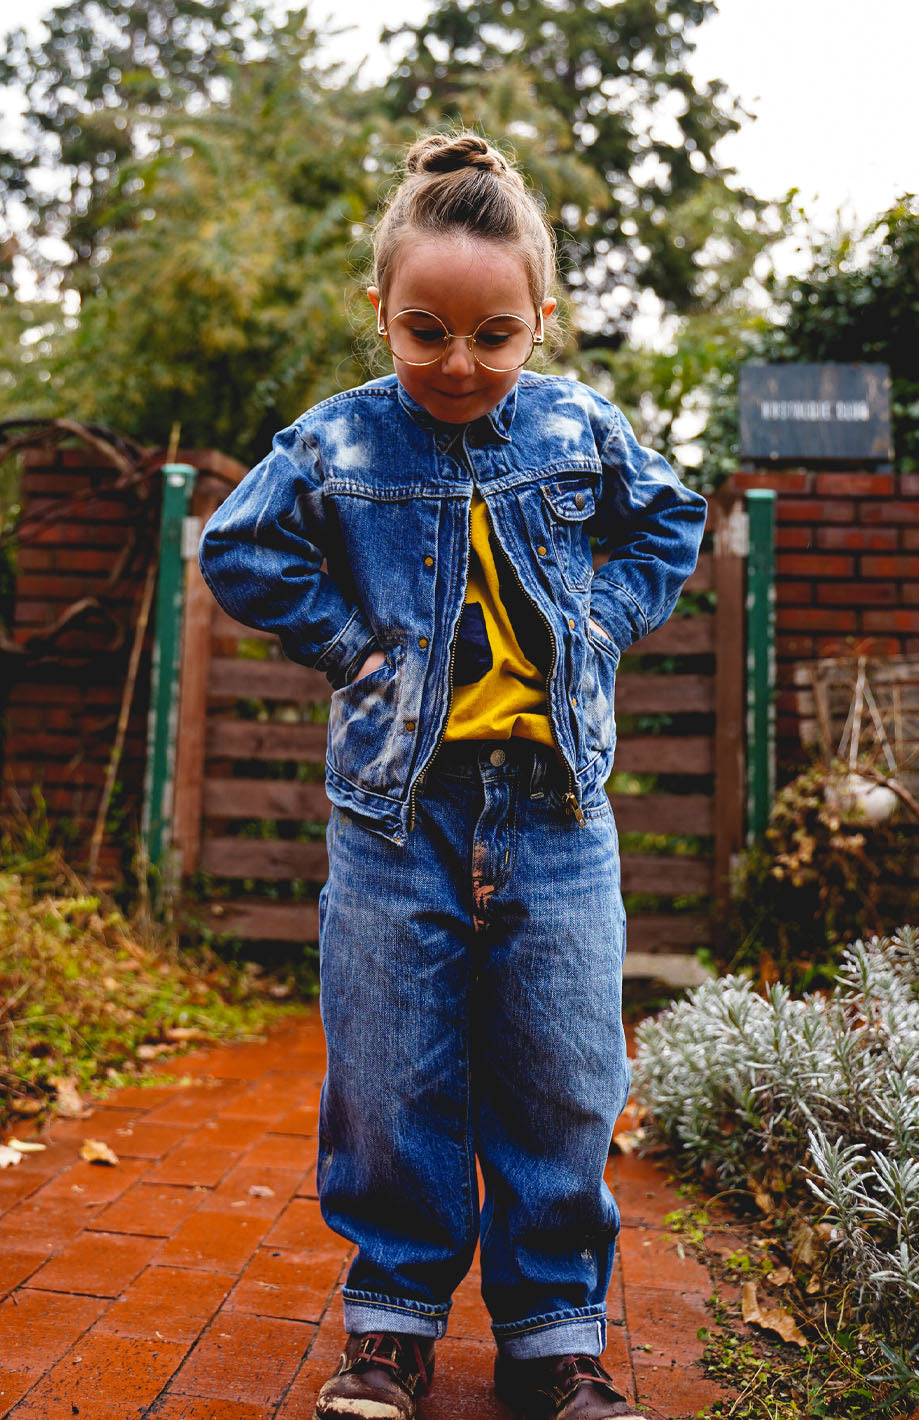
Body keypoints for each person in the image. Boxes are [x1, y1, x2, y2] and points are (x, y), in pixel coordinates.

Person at [198, 131, 707, 1420]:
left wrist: (598, 625)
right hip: (394, 813)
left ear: (543, 320)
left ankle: (552, 1338)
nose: (460, 363)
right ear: (380, 309)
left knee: (566, 1073)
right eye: (425, 332)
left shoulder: (580, 424)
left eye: (495, 335)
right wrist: (352, 651)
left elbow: (671, 517)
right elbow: (238, 546)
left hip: (557, 812)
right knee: (389, 1072)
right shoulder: (339, 439)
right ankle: (390, 1328)